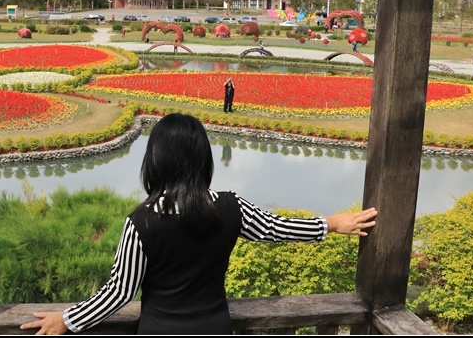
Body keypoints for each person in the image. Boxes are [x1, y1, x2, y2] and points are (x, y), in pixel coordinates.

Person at [20, 114, 377, 335]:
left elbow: (120, 292)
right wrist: (330, 224)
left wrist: (67, 320)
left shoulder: (141, 222)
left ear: (155, 161)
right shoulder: (229, 207)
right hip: (215, 329)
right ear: (203, 159)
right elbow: (274, 228)